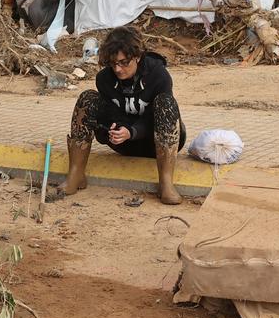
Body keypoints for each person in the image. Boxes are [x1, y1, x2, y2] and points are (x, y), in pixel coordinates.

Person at [63, 26, 187, 204]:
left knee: (166, 102)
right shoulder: (104, 79)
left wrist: (133, 131)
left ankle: (166, 183)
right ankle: (76, 174)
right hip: (125, 144)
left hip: (155, 141)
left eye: (124, 63)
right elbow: (110, 113)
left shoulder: (159, 75)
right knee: (87, 98)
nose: (118, 69)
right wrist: (111, 131)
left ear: (137, 56)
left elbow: (160, 116)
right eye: (113, 64)